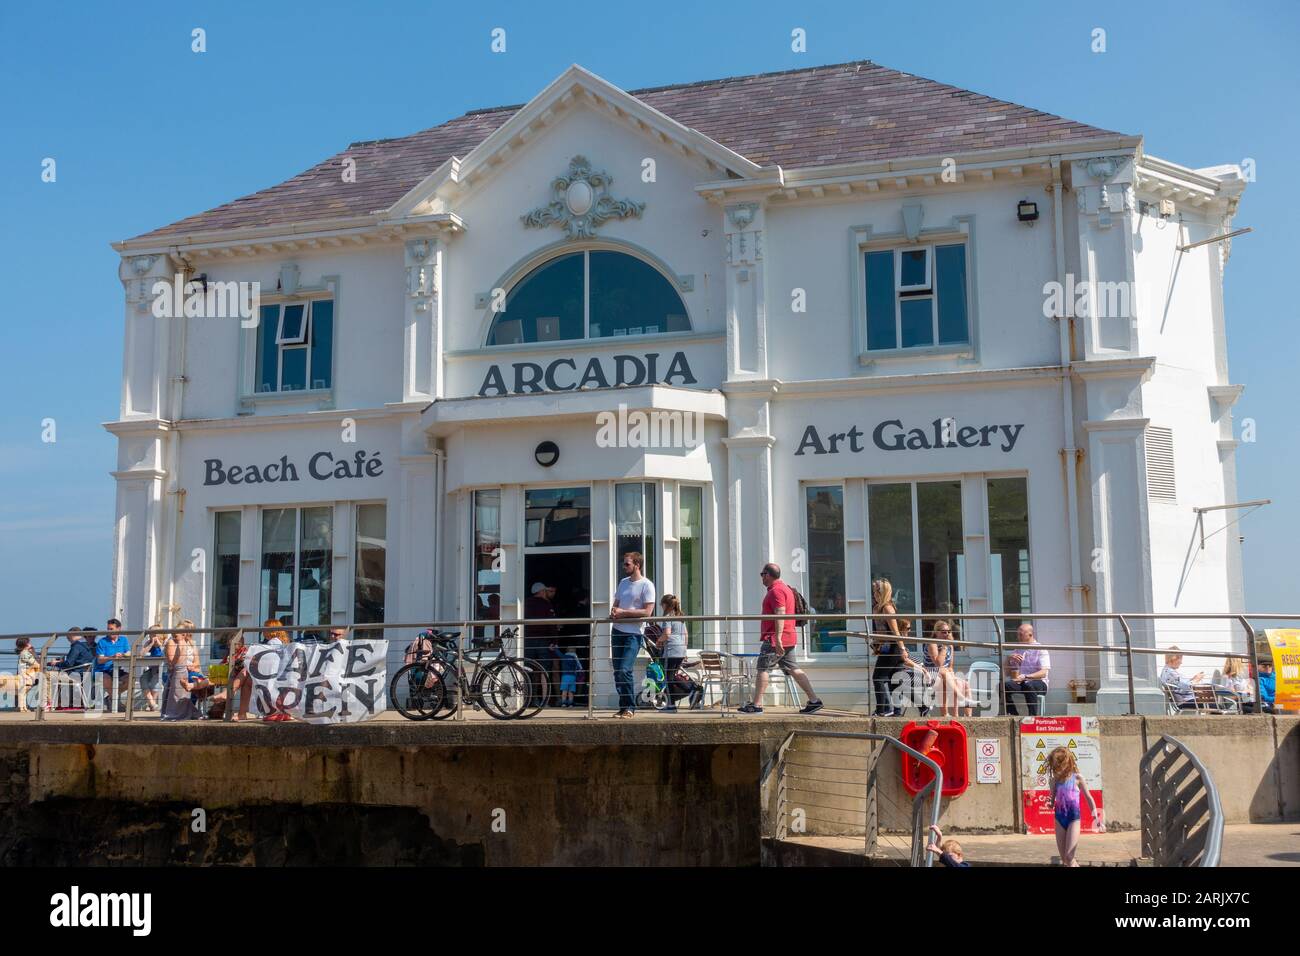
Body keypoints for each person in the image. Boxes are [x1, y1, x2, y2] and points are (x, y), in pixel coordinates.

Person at [739, 563, 823, 715]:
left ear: (768, 575)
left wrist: (777, 639)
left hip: (775, 638)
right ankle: (814, 701)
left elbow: (780, 614)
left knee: (762, 669)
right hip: (788, 636)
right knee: (794, 668)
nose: (761, 578)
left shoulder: (776, 591)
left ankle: (756, 705)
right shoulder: (785, 588)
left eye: (762, 574)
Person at [868, 578, 924, 717]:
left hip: (893, 648)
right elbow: (878, 631)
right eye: (873, 591)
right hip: (885, 647)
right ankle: (922, 705)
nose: (873, 594)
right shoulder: (877, 608)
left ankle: (885, 709)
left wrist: (903, 649)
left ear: (882, 592)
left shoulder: (888, 608)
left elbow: (895, 631)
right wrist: (876, 645)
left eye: (875, 591)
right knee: (896, 683)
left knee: (878, 678)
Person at [610, 552, 656, 718]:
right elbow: (616, 604)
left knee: (624, 669)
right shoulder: (623, 583)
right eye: (624, 564)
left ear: (637, 564)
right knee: (617, 671)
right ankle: (623, 707)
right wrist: (615, 611)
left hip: (633, 633)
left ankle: (630, 707)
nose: (624, 567)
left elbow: (647, 612)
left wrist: (623, 613)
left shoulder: (647, 585)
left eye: (627, 564)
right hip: (617, 631)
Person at [1046, 746, 1104, 866]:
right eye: (1054, 766)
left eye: (1058, 765)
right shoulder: (1054, 781)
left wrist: (1096, 818)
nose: (1056, 769)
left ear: (1066, 763)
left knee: (1069, 856)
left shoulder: (1077, 778)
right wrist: (1049, 803)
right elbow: (1052, 802)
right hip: (1059, 819)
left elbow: (1089, 798)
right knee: (1064, 859)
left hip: (1073, 819)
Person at [925, 620, 975, 717]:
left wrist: (951, 674)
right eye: (944, 632)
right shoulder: (932, 644)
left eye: (949, 631)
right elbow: (938, 664)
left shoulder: (950, 646)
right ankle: (948, 713)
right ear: (936, 632)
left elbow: (950, 667)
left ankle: (967, 717)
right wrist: (944, 646)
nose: (947, 634)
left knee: (964, 683)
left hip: (944, 675)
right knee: (943, 672)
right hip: (931, 674)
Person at [655, 594, 695, 712]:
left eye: (662, 605)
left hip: (671, 651)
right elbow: (686, 635)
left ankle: (690, 689)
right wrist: (684, 649)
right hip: (681, 650)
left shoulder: (667, 617)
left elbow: (667, 634)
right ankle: (672, 703)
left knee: (668, 678)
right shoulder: (680, 617)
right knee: (671, 677)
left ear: (666, 605)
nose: (661, 607)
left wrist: (658, 641)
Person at [161, 620, 205, 721]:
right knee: (189, 680)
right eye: (188, 631)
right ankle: (185, 709)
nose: (190, 634)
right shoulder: (172, 642)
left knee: (196, 678)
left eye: (191, 631)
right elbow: (172, 661)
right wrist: (185, 666)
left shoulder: (192, 643)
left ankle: (188, 709)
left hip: (190, 670)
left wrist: (192, 666)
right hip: (177, 671)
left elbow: (197, 662)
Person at [1003, 623, 1050, 716]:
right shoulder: (1017, 649)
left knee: (1029, 685)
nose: (1018, 637)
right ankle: (1013, 715)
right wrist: (1008, 659)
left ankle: (1033, 717)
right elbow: (1007, 673)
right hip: (1022, 682)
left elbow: (1044, 673)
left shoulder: (1040, 649)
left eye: (1021, 634)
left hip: (1039, 682)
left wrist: (1026, 676)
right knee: (1004, 686)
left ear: (1030, 634)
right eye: (1017, 634)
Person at [94, 618, 132, 712]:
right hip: (102, 670)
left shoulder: (123, 640)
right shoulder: (102, 642)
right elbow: (100, 660)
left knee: (130, 679)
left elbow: (129, 653)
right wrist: (112, 657)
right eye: (108, 629)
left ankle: (110, 698)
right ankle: (116, 702)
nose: (109, 631)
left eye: (111, 629)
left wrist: (123, 655)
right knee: (106, 679)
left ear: (118, 629)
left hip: (116, 670)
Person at [138, 628, 166, 712]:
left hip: (161, 670)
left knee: (155, 681)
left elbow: (164, 654)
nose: (152, 636)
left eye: (154, 634)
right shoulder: (148, 643)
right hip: (151, 669)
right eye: (151, 634)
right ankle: (152, 704)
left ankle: (151, 705)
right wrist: (151, 644)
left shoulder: (164, 643)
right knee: (143, 679)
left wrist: (159, 644)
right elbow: (141, 654)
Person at [548, 642, 583, 707]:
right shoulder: (575, 658)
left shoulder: (564, 656)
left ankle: (563, 703)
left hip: (565, 677)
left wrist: (556, 648)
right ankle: (570, 703)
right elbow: (579, 668)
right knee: (571, 691)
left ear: (567, 650)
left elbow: (558, 654)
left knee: (564, 691)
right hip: (573, 677)